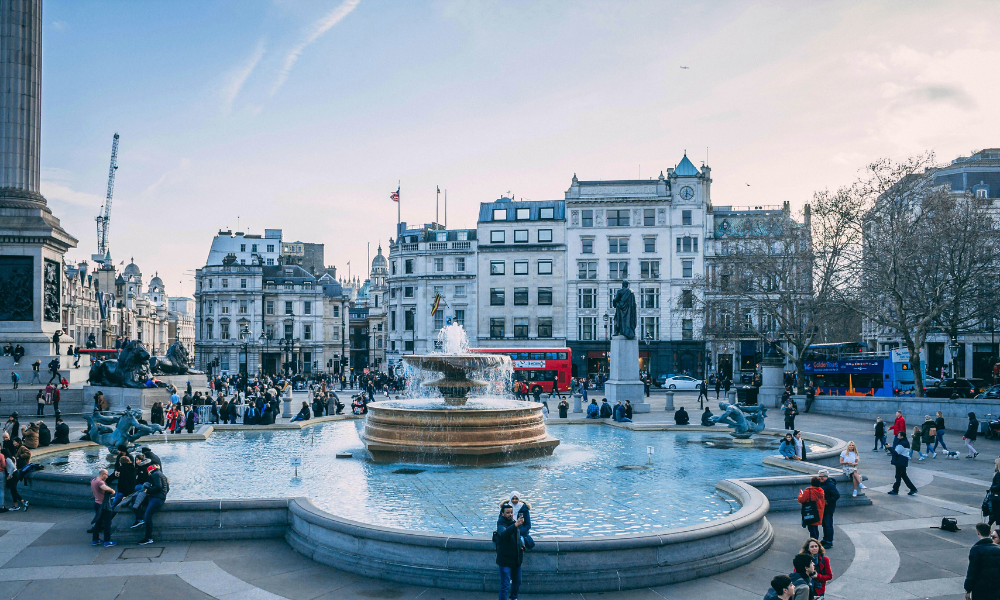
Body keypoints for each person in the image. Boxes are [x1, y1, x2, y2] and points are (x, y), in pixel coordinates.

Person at [495, 502, 524, 600]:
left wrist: (522, 545)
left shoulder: (513, 522)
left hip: (516, 560)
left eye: (511, 512)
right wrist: (515, 525)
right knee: (505, 585)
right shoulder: (501, 524)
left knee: (517, 582)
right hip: (505, 561)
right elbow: (504, 534)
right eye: (507, 513)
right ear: (502, 514)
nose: (510, 514)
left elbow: (518, 537)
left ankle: (513, 598)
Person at [134, 463, 168, 545]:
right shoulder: (159, 474)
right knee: (137, 500)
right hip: (158, 497)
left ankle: (148, 537)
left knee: (147, 515)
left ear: (150, 471)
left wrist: (147, 491)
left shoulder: (155, 474)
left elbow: (158, 487)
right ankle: (139, 519)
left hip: (157, 498)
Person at [964, 522, 1000, 600]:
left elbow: (972, 571)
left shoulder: (976, 549)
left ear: (978, 532)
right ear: (990, 532)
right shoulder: (998, 549)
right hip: (996, 587)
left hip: (980, 587)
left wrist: (968, 589)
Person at [90, 469, 117, 547]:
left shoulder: (93, 480)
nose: (107, 476)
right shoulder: (100, 482)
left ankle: (95, 540)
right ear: (103, 474)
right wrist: (112, 491)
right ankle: (107, 541)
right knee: (107, 523)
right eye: (107, 475)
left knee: (98, 522)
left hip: (97, 503)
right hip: (104, 505)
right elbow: (105, 488)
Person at [888, 430, 917, 496]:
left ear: (902, 436)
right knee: (903, 476)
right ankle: (912, 489)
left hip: (900, 461)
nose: (897, 437)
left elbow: (896, 452)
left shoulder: (902, 443)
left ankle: (895, 490)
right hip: (903, 461)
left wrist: (889, 448)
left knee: (898, 476)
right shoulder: (904, 442)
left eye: (898, 435)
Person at [817, 469, 840, 548]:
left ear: (826, 477)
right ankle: (825, 539)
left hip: (828, 508)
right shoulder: (822, 484)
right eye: (819, 477)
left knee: (828, 524)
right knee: (824, 524)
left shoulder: (830, 485)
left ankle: (829, 541)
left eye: (822, 477)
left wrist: (828, 501)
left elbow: (837, 495)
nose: (821, 478)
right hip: (823, 508)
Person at [987, 459, 1000, 527]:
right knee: (995, 514)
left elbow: (998, 485)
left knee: (994, 513)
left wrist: (991, 488)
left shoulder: (998, 474)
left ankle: (987, 527)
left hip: (996, 497)